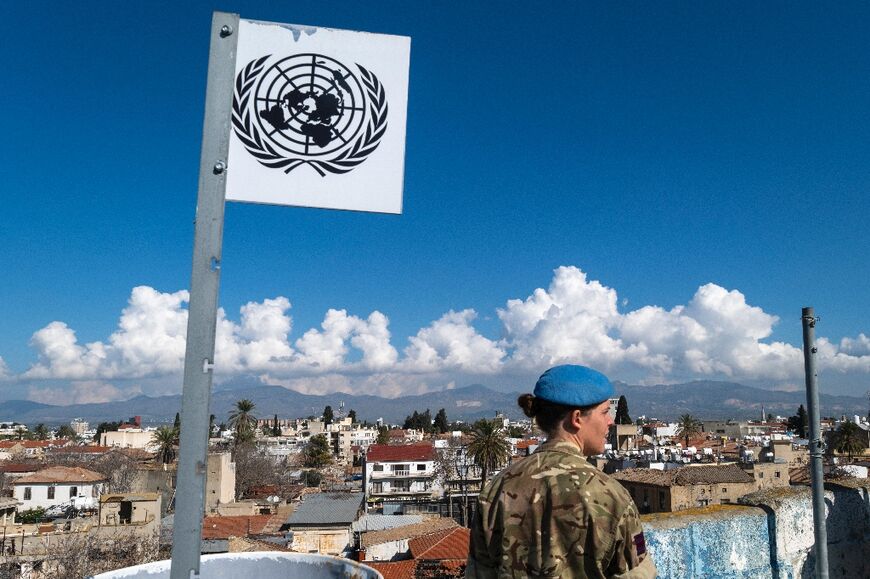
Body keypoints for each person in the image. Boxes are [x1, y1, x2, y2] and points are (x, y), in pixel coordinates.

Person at [466, 365, 656, 578]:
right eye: (604, 412)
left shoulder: (495, 491)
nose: (610, 421)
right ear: (576, 418)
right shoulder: (611, 495)